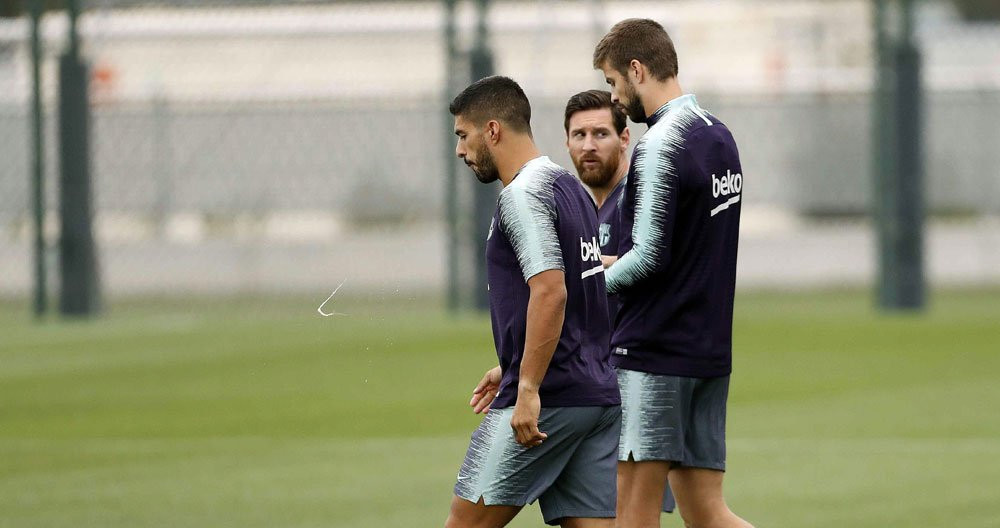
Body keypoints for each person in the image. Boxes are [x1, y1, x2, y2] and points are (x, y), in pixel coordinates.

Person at [592, 19, 753, 528]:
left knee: (631, 511)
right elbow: (684, 250)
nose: (616, 99)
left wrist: (580, 289)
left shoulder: (660, 144)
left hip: (655, 355)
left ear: (638, 70)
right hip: (707, 352)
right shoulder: (718, 136)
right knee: (708, 514)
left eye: (615, 84)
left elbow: (649, 259)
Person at [444, 75, 621, 528]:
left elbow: (551, 291)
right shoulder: (570, 189)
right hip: (593, 397)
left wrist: (526, 387)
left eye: (464, 136)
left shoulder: (522, 195)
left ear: (493, 130)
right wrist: (516, 363)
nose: (461, 151)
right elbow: (583, 297)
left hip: (551, 400)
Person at [563, 89, 678, 518]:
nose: (589, 145)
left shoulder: (640, 201)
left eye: (600, 133)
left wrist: (585, 271)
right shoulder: (574, 209)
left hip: (634, 383)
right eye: (579, 135)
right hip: (587, 388)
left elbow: (651, 267)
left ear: (625, 138)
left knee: (628, 515)